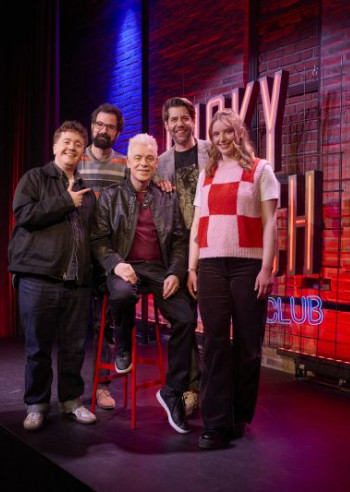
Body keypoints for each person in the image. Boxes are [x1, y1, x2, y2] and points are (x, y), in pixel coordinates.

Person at [91, 133, 196, 434]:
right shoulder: (110, 197)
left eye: (150, 158)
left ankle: (172, 391)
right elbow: (98, 240)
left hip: (159, 270)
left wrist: (175, 272)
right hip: (124, 266)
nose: (143, 163)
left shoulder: (167, 197)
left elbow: (179, 241)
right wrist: (116, 264)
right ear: (128, 161)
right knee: (123, 294)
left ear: (155, 163)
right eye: (137, 158)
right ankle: (124, 342)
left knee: (186, 318)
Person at [187, 108, 279, 449]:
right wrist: (192, 267)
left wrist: (266, 268)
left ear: (239, 132)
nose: (222, 139)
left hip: (248, 266)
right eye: (216, 134)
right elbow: (198, 224)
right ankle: (214, 422)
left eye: (227, 132)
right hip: (211, 264)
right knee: (214, 342)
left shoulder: (260, 169)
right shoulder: (207, 173)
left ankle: (239, 414)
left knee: (248, 345)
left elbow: (270, 223)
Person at [8, 120, 98, 432]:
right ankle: (36, 405)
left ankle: (71, 401)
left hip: (77, 282)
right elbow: (23, 215)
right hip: (39, 278)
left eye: (78, 144)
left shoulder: (87, 190)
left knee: (74, 348)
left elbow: (92, 235)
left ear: (83, 151)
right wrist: (65, 202)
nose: (72, 147)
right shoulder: (35, 178)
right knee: (38, 348)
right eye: (66, 141)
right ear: (55, 146)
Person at [158, 97, 209, 416]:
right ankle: (191, 388)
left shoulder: (211, 152)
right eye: (173, 119)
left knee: (216, 321)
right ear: (166, 125)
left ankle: (215, 386)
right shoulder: (160, 163)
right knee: (185, 319)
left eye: (184, 118)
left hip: (211, 245)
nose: (179, 124)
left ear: (193, 119)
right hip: (178, 252)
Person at [77, 103, 128, 411]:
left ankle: (101, 387)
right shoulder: (76, 160)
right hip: (77, 253)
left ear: (117, 132)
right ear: (92, 125)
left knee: (103, 325)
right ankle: (71, 391)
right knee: (74, 326)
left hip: (108, 253)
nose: (103, 130)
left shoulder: (125, 164)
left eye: (110, 126)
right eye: (99, 124)